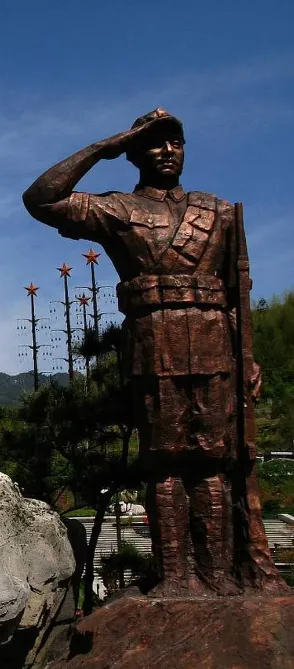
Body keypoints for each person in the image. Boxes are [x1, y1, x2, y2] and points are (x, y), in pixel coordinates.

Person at [22, 108, 286, 595]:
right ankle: (175, 577)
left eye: (176, 141)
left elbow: (236, 295)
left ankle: (219, 576)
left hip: (214, 343)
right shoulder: (118, 209)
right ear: (133, 152)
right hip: (155, 342)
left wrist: (246, 357)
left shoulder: (220, 212)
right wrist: (103, 148)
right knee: (165, 461)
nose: (167, 151)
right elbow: (42, 199)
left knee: (213, 460)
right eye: (153, 142)